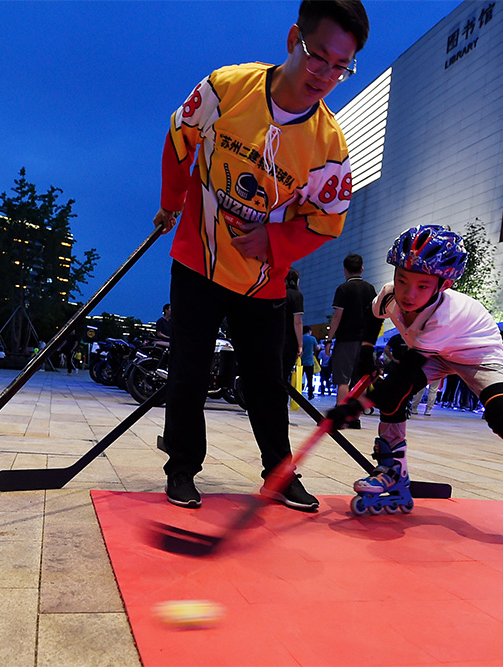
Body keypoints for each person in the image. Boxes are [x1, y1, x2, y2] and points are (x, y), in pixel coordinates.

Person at [152, 0, 369, 511]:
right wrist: (171, 201)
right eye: (318, 57)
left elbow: (326, 220)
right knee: (188, 371)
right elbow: (180, 139)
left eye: (341, 67)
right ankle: (181, 467)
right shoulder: (228, 87)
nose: (326, 76)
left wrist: (274, 241)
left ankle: (279, 473)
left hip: (262, 279)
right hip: (198, 259)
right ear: (294, 39)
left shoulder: (329, 146)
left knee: (267, 381)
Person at [327, 225, 503, 563]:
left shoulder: (445, 315)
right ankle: (393, 470)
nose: (408, 293)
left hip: (476, 353)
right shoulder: (388, 295)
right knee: (396, 398)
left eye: (422, 285)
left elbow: (401, 377)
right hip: (434, 353)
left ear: (444, 285)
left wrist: (353, 406)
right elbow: (376, 316)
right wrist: (367, 350)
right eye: (402, 279)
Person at [323, 253, 379, 426]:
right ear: (362, 269)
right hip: (364, 341)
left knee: (343, 379)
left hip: (346, 339)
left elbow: (337, 316)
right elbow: (375, 315)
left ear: (345, 270)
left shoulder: (343, 289)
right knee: (359, 380)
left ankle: (341, 416)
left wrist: (329, 339)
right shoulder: (370, 289)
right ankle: (355, 418)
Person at [283, 268, 305, 381]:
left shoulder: (277, 293)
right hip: (289, 338)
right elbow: (297, 321)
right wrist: (300, 344)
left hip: (274, 336)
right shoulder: (296, 295)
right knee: (285, 372)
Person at [300, 324, 319, 399]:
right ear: (309, 331)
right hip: (310, 362)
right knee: (309, 378)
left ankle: (298, 391)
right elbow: (317, 348)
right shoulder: (312, 339)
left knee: (299, 378)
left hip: (300, 361)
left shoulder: (300, 338)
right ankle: (310, 393)